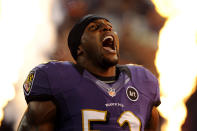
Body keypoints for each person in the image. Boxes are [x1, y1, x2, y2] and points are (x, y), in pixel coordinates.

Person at [17, 14, 161, 131]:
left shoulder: (143, 81)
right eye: (94, 28)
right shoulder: (56, 78)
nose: (107, 29)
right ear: (79, 48)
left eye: (110, 27)